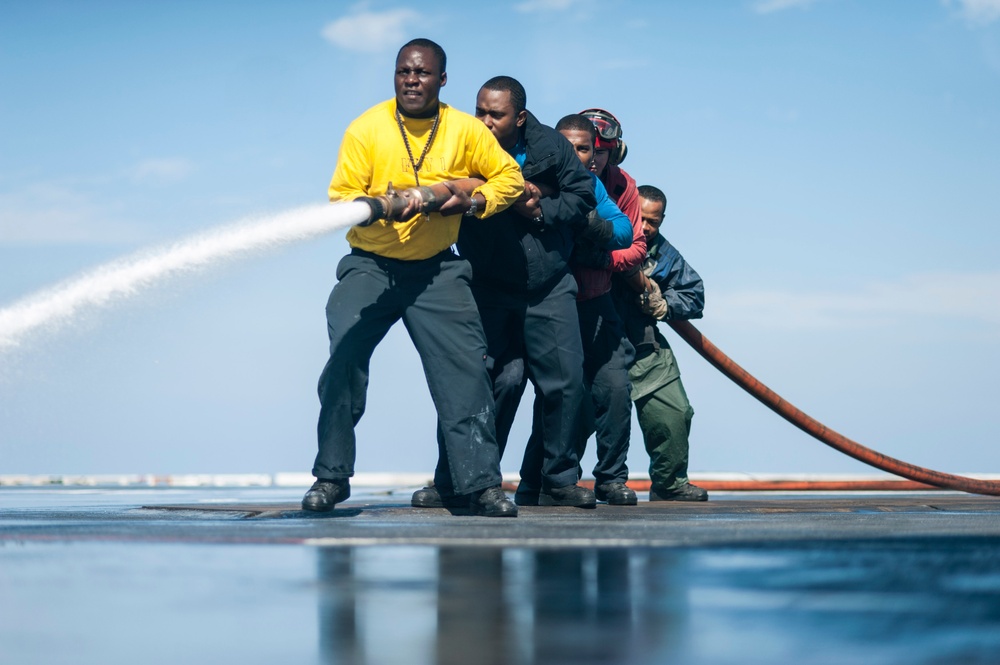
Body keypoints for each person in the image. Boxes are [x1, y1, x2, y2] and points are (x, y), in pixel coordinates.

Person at [303, 39, 524, 517]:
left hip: (438, 268)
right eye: (404, 71)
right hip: (371, 265)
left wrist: (471, 200)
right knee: (343, 360)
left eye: (423, 73)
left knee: (467, 373)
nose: (411, 80)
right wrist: (384, 206)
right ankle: (330, 478)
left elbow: (508, 177)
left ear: (442, 80)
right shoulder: (367, 129)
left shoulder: (465, 130)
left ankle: (480, 486)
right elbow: (342, 198)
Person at [412, 76, 599, 509]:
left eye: (495, 114)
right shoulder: (460, 141)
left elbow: (582, 194)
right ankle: (455, 481)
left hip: (548, 285)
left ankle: (558, 480)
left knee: (565, 384)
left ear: (519, 117)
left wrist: (542, 209)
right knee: (482, 381)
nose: (485, 121)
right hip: (487, 285)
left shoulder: (551, 146)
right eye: (480, 111)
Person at [515, 114, 644, 506]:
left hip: (599, 300)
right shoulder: (541, 176)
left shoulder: (620, 187)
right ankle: (533, 482)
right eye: (572, 147)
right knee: (557, 394)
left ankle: (610, 479)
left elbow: (633, 244)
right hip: (551, 301)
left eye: (593, 149)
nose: (587, 157)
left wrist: (598, 256)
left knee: (615, 389)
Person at [617, 185, 709, 501]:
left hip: (643, 345)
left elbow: (694, 295)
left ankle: (670, 485)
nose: (644, 227)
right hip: (597, 345)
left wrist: (664, 303)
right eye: (639, 218)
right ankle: (552, 485)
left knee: (675, 413)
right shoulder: (600, 232)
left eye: (652, 222)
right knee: (576, 416)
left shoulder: (665, 254)